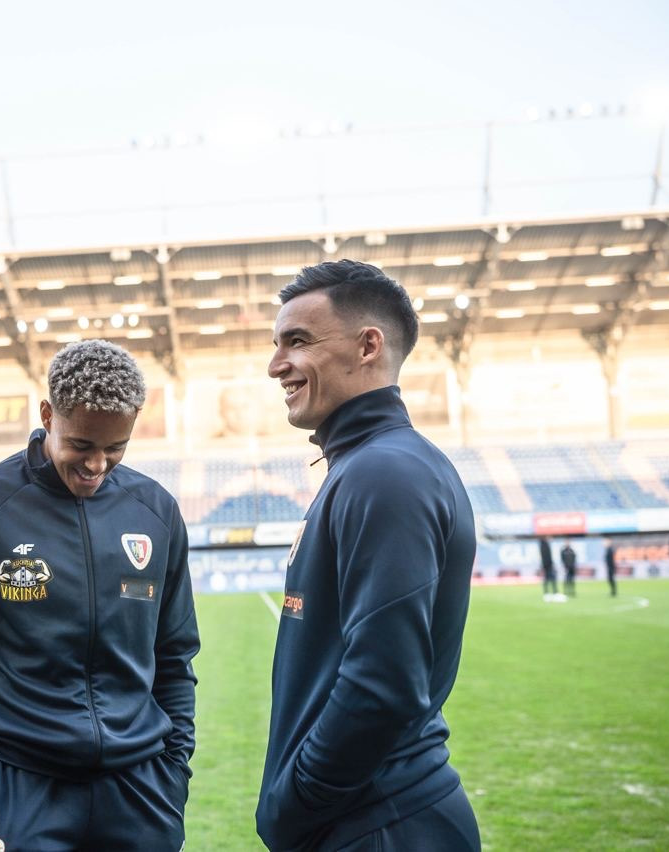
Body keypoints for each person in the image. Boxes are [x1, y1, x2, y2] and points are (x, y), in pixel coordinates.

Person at [0, 339, 200, 850]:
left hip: (141, 792)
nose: (97, 464)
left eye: (116, 448)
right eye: (82, 445)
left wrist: (172, 771)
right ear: (48, 415)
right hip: (19, 788)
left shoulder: (155, 511)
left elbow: (175, 655)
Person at [257, 260, 480, 851]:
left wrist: (296, 801)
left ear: (368, 346)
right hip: (370, 819)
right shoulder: (367, 464)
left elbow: (382, 686)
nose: (276, 365)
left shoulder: (385, 473)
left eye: (297, 341)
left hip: (381, 826)